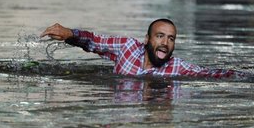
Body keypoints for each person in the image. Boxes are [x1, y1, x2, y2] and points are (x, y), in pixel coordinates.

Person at [40, 18, 243, 78]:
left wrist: (247, 76)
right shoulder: (127, 48)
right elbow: (94, 41)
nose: (165, 42)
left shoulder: (176, 68)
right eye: (160, 36)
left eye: (171, 38)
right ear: (147, 39)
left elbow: (209, 74)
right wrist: (70, 34)